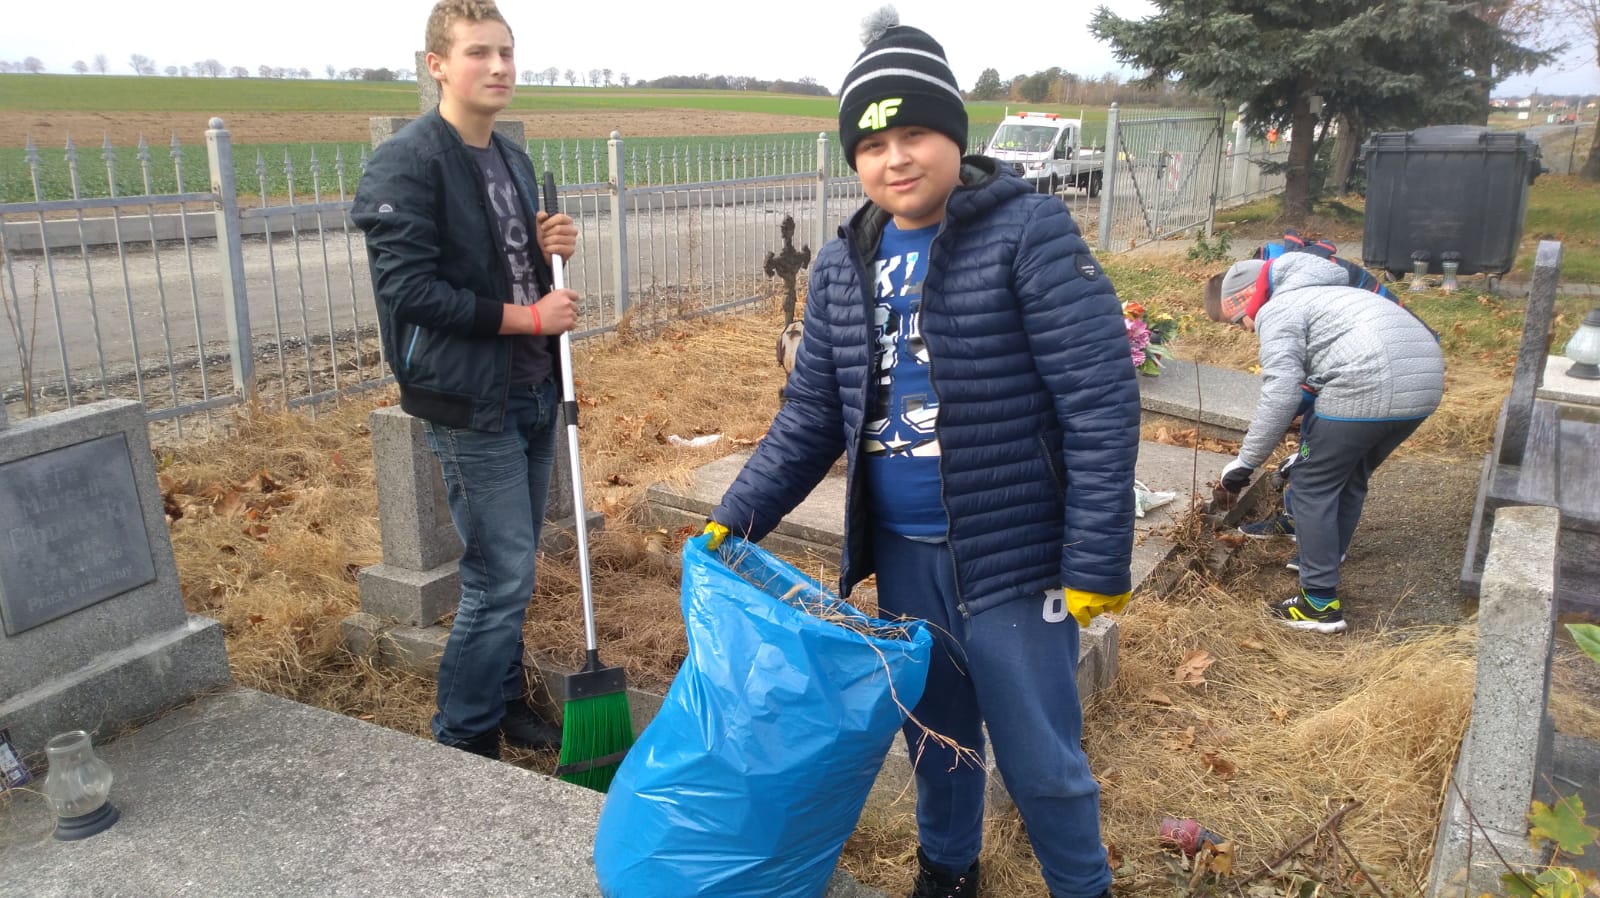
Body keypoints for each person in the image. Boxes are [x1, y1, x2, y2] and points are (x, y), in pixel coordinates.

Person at [703, 13, 1138, 898]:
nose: (895, 159)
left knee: (1040, 759)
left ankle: (1081, 884)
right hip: (904, 559)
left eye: (915, 135)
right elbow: (811, 414)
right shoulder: (844, 263)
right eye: (872, 144)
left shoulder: (1027, 234)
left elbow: (1098, 400)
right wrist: (735, 517)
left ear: (955, 137)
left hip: (1013, 558)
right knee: (937, 740)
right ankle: (946, 872)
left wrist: (1096, 556)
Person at [350, 0, 580, 759]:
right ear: (437, 66)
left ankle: (503, 699)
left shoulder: (510, 158)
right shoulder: (407, 162)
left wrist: (549, 248)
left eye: (506, 52)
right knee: (498, 575)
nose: (499, 67)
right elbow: (410, 292)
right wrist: (530, 318)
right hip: (470, 399)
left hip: (533, 387)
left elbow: (505, 266)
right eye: (478, 52)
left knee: (515, 568)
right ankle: (462, 735)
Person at [1215, 255, 1444, 634]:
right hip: (1421, 387)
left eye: (1239, 320)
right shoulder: (1326, 292)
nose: (1245, 328)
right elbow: (1316, 378)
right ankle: (1326, 556)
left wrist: (1245, 462)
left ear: (1249, 300)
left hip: (1370, 385)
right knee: (1350, 475)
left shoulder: (1278, 309)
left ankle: (1319, 603)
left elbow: (1282, 391)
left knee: (1310, 486)